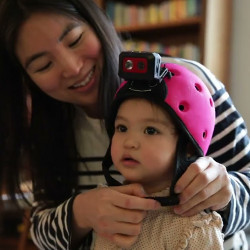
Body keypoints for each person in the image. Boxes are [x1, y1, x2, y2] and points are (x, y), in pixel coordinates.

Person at [0, 0, 249, 249]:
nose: (72, 67)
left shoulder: (190, 89)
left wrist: (226, 194)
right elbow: (41, 228)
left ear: (98, 24)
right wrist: (82, 213)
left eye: (75, 40)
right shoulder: (48, 129)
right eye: (43, 65)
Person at [92, 59, 224, 249]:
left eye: (150, 130)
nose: (129, 142)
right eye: (122, 127)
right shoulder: (105, 210)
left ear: (187, 146)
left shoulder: (193, 227)